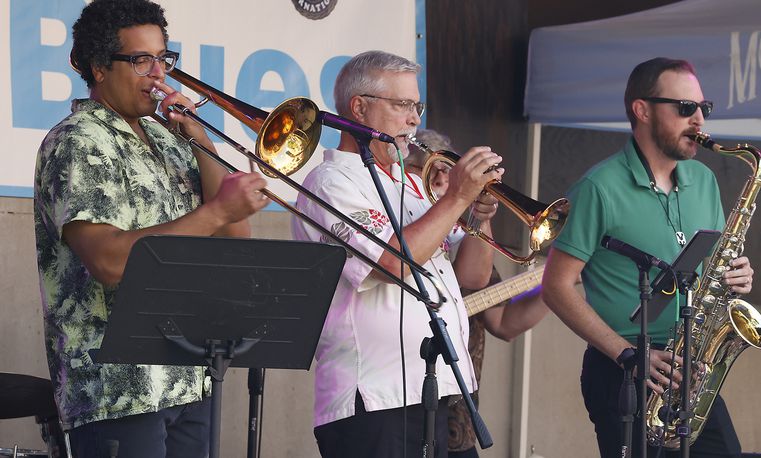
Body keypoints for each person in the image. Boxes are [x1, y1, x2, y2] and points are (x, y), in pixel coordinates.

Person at [33, 1, 268, 456]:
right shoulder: (78, 140)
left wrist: (201, 141)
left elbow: (235, 241)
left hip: (187, 373)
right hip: (117, 388)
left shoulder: (166, 137)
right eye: (141, 60)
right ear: (100, 67)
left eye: (164, 59)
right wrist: (218, 211)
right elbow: (108, 260)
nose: (158, 74)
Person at [291, 51, 502, 458]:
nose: (413, 119)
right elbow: (390, 264)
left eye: (416, 106)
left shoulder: (412, 185)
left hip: (431, 390)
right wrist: (456, 196)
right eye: (402, 105)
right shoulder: (329, 182)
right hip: (373, 399)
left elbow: (472, 277)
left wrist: (477, 213)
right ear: (359, 107)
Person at [540, 58, 752, 458]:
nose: (699, 121)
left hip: (691, 369)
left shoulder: (704, 180)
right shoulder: (598, 187)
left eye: (703, 109)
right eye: (685, 108)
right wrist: (627, 353)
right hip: (624, 369)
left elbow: (716, 263)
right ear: (642, 110)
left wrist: (736, 275)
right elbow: (556, 287)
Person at [406, 129, 551, 458]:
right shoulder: (407, 225)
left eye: (448, 171)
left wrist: (553, 289)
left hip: (459, 412)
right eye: (428, 169)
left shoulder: (465, 234)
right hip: (408, 397)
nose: (442, 178)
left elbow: (500, 319)